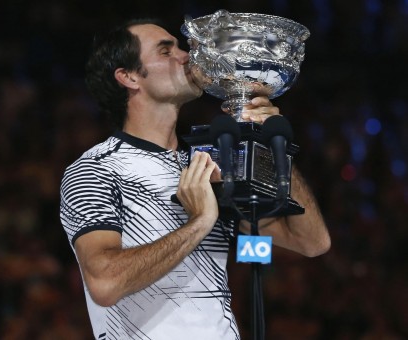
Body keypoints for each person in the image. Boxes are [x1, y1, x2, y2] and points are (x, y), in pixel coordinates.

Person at [59, 18, 331, 339]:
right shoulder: (97, 169)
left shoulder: (210, 163)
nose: (186, 55)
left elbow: (312, 242)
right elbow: (105, 283)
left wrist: (272, 146)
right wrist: (199, 222)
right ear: (129, 76)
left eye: (180, 46)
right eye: (165, 51)